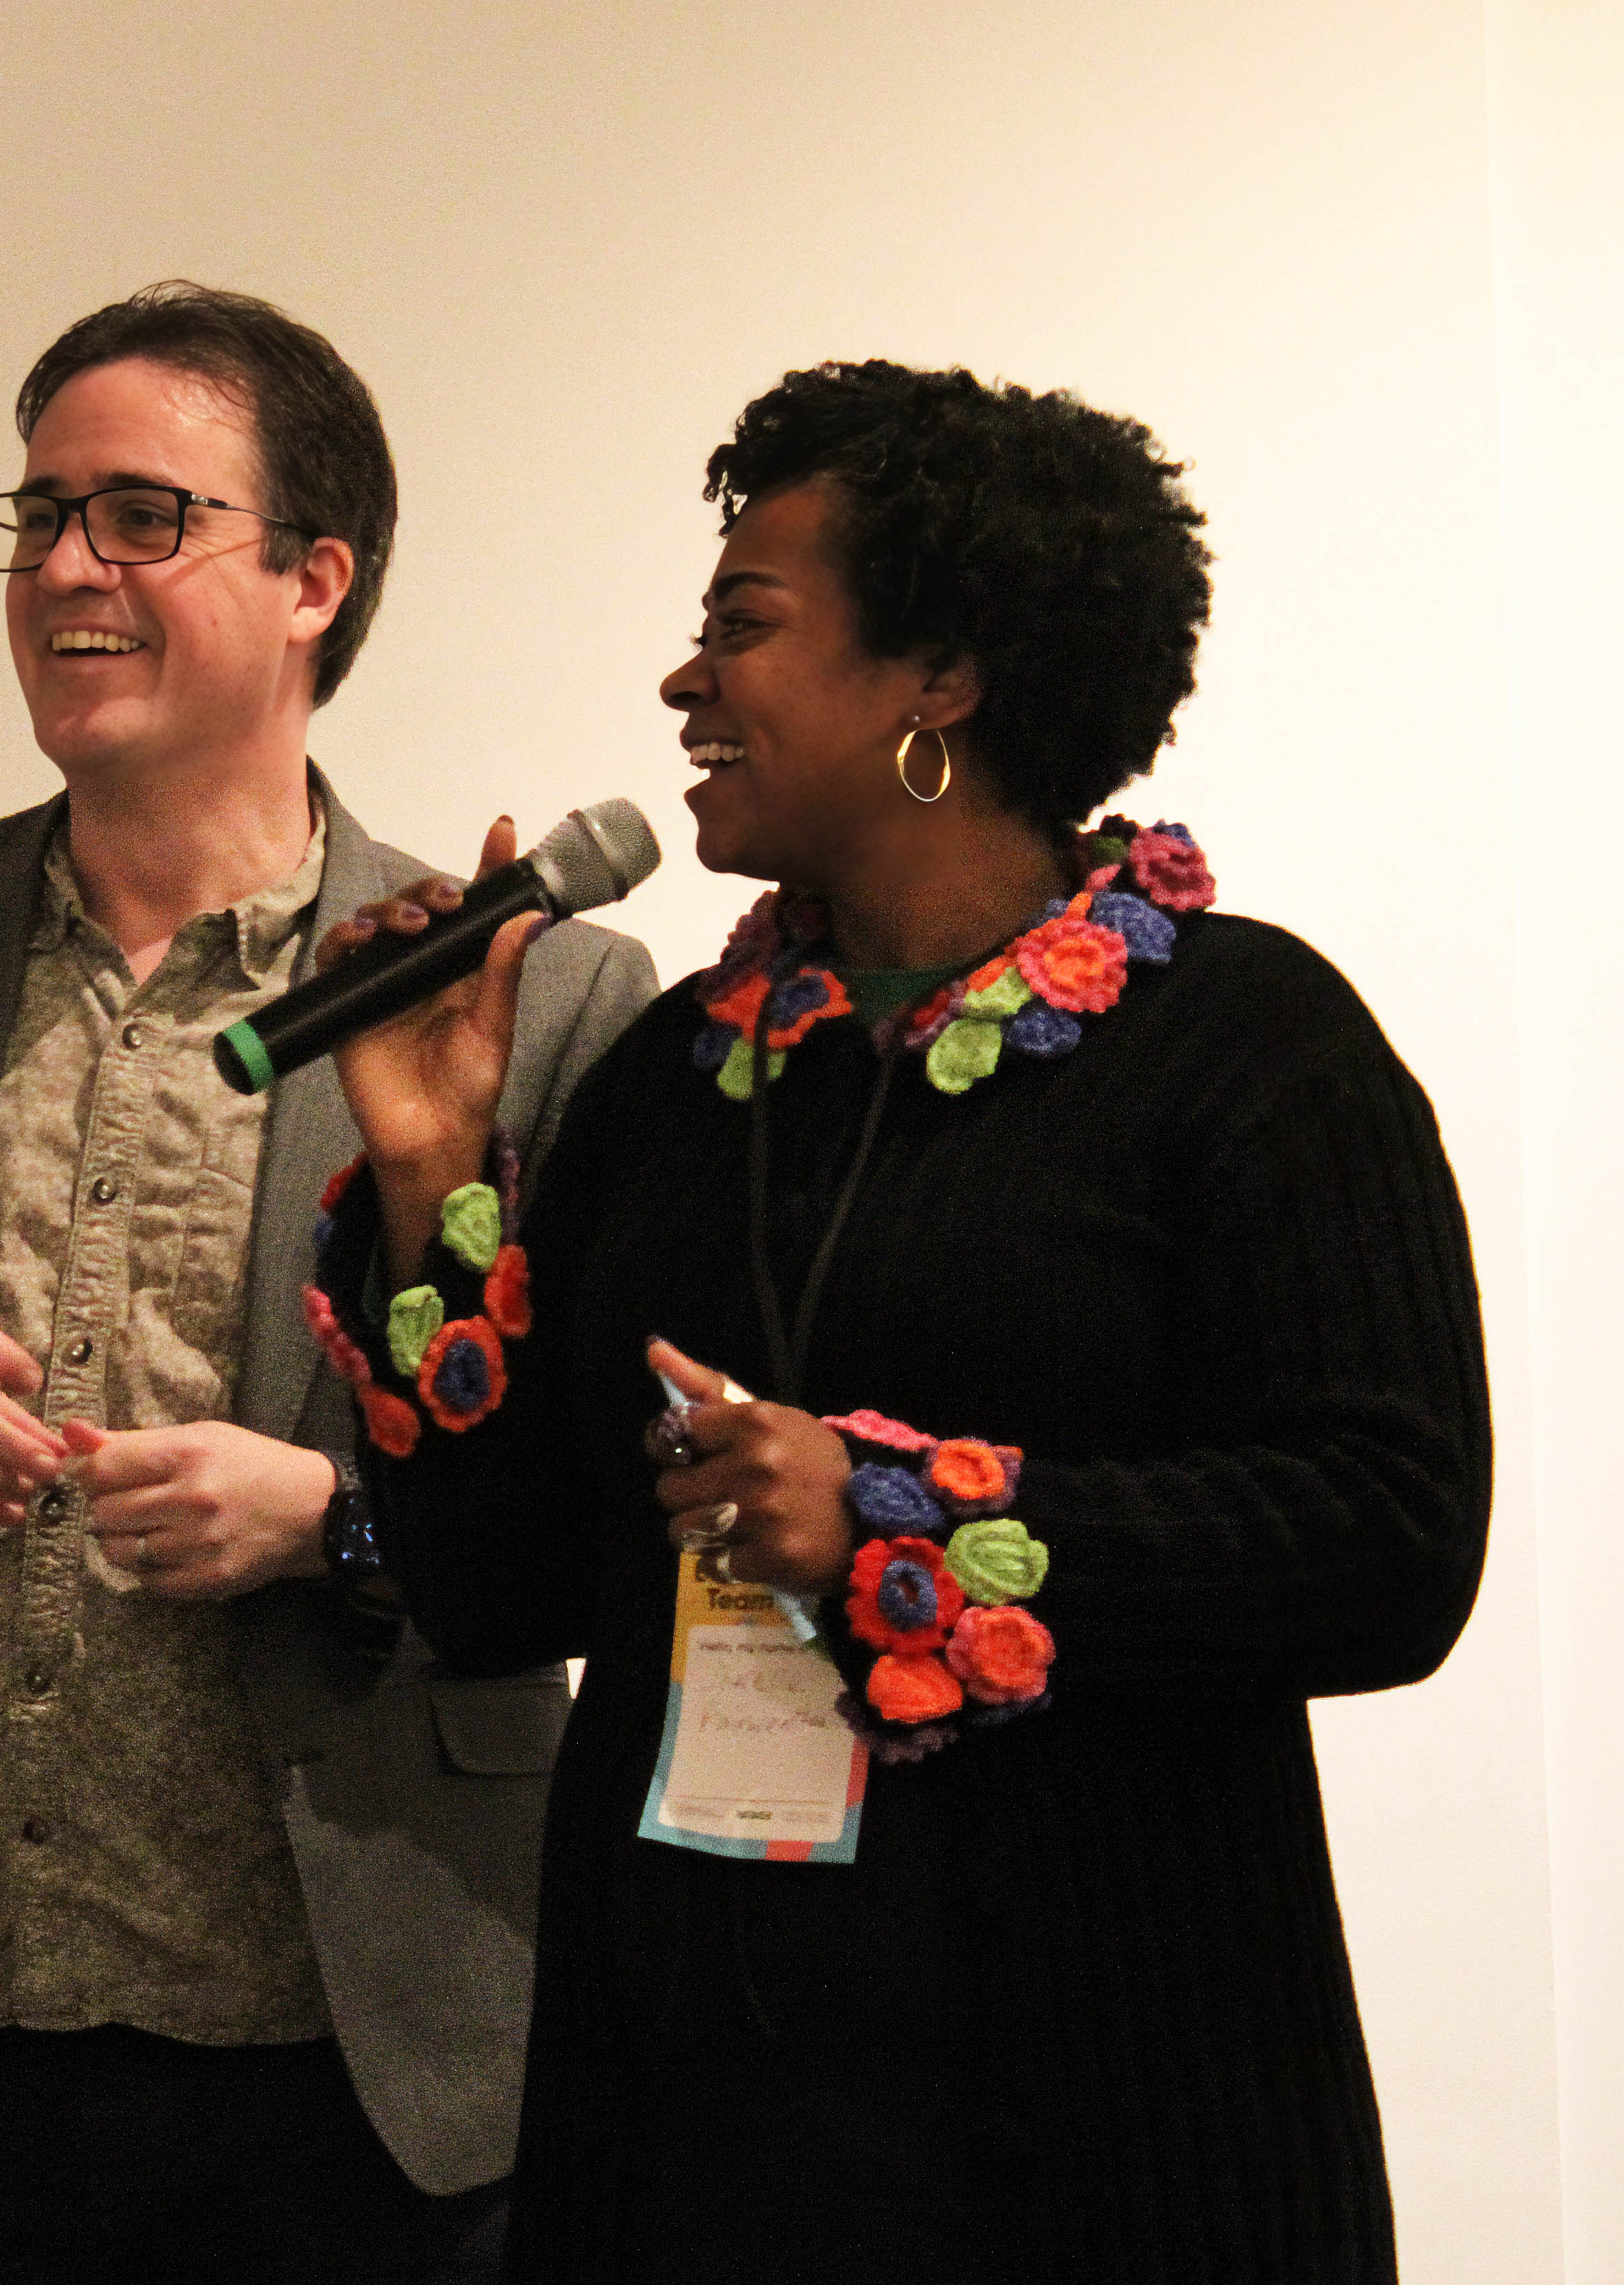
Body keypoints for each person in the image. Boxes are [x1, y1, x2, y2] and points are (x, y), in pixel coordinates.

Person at [308, 359, 1488, 2282]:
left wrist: (889, 1516)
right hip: (694, 2128)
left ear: (938, 678)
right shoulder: (670, 1086)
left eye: (742, 626)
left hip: (1108, 2120)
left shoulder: (1244, 1048)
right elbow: (498, 1594)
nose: (685, 684)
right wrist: (440, 1168)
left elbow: (1386, 1542)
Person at [0, 281, 657, 2284]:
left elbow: (628, 1522)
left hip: (361, 2061)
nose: (66, 569)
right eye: (37, 516)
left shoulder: (536, 998)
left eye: (141, 516)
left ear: (311, 580)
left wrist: (341, 1526)